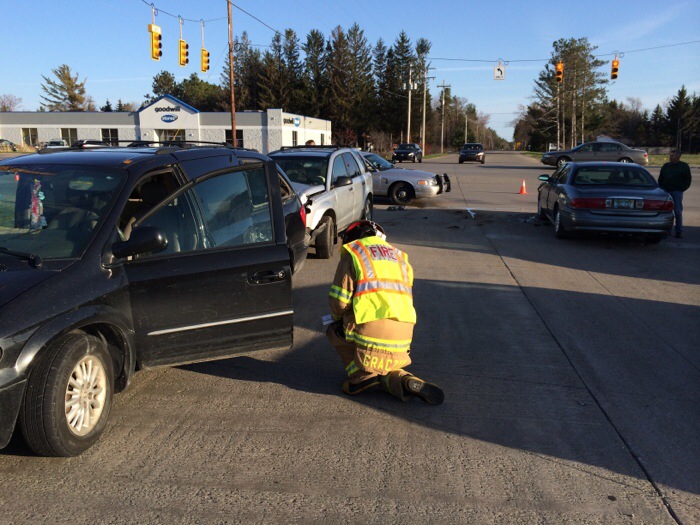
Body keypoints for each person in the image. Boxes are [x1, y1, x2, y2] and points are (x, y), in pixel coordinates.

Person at [326, 220, 444, 405]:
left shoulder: (355, 253)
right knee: (389, 369)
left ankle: (361, 377)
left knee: (334, 330)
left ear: (351, 237)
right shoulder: (400, 257)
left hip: (370, 333)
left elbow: (339, 303)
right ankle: (402, 379)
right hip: (403, 336)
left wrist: (335, 320)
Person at [658, 149, 692, 238]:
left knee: (677, 211)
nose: (670, 157)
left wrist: (681, 189)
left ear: (678, 157)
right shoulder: (666, 166)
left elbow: (688, 180)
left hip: (677, 191)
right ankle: (666, 230)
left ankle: (679, 231)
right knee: (666, 212)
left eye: (672, 156)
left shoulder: (683, 166)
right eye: (670, 155)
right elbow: (661, 178)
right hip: (666, 191)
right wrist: (661, 188)